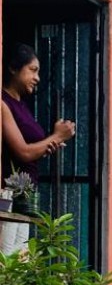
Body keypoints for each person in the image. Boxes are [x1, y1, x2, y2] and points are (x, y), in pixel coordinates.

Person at [1, 42, 75, 254]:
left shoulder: (22, 106)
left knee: (20, 262)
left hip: (24, 198)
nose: (37, 78)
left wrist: (50, 143)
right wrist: (56, 135)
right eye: (32, 70)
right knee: (7, 261)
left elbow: (33, 149)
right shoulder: (3, 104)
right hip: (7, 198)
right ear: (14, 68)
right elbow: (23, 152)